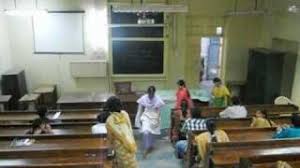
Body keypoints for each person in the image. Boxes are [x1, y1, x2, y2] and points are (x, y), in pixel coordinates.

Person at [105, 96, 137, 168]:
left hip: (121, 148)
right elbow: (129, 128)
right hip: (131, 144)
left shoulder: (109, 121)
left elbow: (110, 138)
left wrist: (110, 148)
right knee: (132, 163)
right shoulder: (125, 114)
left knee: (123, 164)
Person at [135, 86, 165, 158]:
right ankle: (146, 148)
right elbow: (139, 110)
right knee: (145, 132)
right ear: (147, 92)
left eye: (152, 93)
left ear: (154, 92)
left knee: (152, 133)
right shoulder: (144, 98)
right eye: (149, 93)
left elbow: (158, 111)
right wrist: (137, 120)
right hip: (146, 116)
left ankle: (150, 145)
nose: (151, 95)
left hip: (154, 117)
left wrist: (157, 120)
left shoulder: (157, 99)